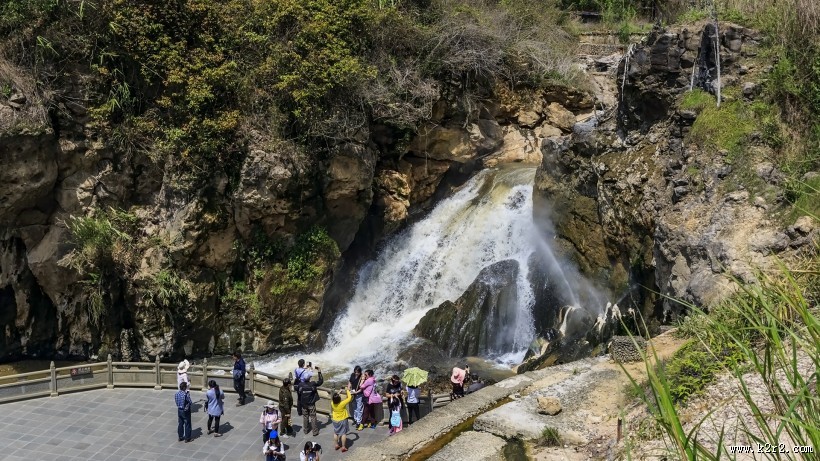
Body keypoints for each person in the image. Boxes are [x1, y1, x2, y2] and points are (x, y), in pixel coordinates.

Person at [297, 366, 324, 436]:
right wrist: (319, 371)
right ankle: (315, 431)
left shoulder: (300, 385)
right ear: (309, 378)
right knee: (313, 417)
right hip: (311, 403)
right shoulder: (312, 384)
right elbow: (321, 381)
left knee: (305, 416)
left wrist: (303, 370)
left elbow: (296, 383)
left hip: (304, 404)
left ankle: (305, 430)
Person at [330, 386, 353, 452]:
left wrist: (339, 392)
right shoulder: (342, 403)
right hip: (342, 420)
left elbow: (335, 398)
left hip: (335, 420)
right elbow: (349, 398)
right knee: (343, 433)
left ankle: (336, 444)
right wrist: (347, 390)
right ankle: (343, 447)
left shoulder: (332, 403)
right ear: (339, 399)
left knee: (336, 433)